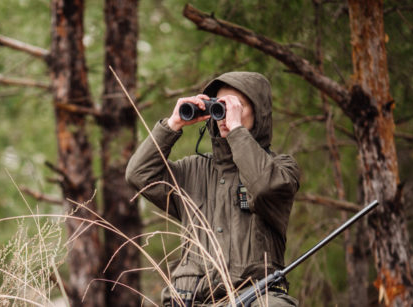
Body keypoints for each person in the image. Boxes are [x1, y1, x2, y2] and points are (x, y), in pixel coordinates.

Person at [125, 72, 300, 306]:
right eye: (219, 106)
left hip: (254, 298)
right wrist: (172, 124)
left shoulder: (281, 168)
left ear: (259, 113)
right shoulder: (193, 170)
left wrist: (237, 130)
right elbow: (139, 175)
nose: (225, 115)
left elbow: (264, 188)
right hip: (190, 300)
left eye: (235, 106)